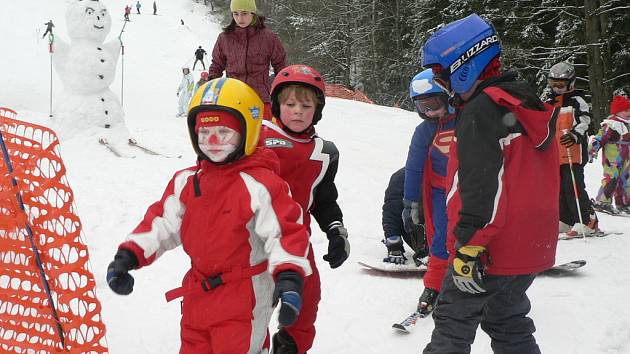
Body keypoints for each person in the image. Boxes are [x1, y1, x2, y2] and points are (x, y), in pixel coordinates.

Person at [105, 78, 312, 354]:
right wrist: (127, 257)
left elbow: (284, 232)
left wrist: (290, 278)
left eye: (224, 132)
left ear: (247, 132)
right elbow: (163, 222)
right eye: (204, 133)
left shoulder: (261, 185)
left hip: (244, 296)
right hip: (198, 293)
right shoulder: (188, 182)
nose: (212, 141)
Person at [420, 14, 559, 354]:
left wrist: (469, 244)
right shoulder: (523, 103)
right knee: (507, 321)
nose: (443, 84)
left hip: (487, 247)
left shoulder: (481, 111)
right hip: (528, 245)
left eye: (443, 73)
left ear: (463, 62)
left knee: (453, 322)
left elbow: (482, 185)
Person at [259, 64, 349, 354]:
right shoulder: (256, 137)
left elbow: (323, 199)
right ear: (276, 106)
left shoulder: (324, 152)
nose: (297, 111)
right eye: (290, 104)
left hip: (297, 244)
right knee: (249, 310)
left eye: (306, 105)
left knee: (306, 304)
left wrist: (336, 231)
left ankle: (289, 347)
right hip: (253, 244)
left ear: (317, 110)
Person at [402, 69, 457, 316]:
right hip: (439, 192)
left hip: (469, 190)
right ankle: (434, 285)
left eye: (434, 104)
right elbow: (413, 167)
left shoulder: (466, 119)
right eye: (423, 107)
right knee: (441, 237)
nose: (430, 112)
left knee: (476, 234)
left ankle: (485, 281)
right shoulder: (424, 131)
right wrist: (410, 202)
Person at [208, 0, 287, 120]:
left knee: (261, 135)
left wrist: (282, 89)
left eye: (244, 13)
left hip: (260, 98)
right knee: (234, 136)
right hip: (233, 98)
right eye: (235, 13)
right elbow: (217, 65)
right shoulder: (224, 38)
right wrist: (212, 84)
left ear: (252, 13)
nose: (240, 18)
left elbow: (280, 64)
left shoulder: (269, 37)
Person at [546, 61, 598, 236]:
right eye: (553, 85)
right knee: (559, 188)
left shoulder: (577, 101)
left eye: (560, 86)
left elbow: (585, 120)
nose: (557, 89)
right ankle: (566, 220)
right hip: (555, 154)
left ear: (571, 83)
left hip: (573, 153)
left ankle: (587, 220)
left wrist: (575, 135)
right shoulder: (549, 103)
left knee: (573, 187)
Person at [589, 95, 630, 214]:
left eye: (629, 110)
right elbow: (600, 137)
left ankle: (623, 202)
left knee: (626, 179)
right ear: (617, 111)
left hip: (627, 158)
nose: (628, 113)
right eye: (625, 111)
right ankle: (602, 202)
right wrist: (592, 149)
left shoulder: (628, 123)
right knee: (612, 177)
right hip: (613, 157)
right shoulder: (611, 124)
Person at [381, 167, 428, 266]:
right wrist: (394, 243)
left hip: (444, 233)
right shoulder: (402, 177)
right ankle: (425, 250)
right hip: (416, 228)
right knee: (413, 212)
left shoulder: (449, 172)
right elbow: (392, 212)